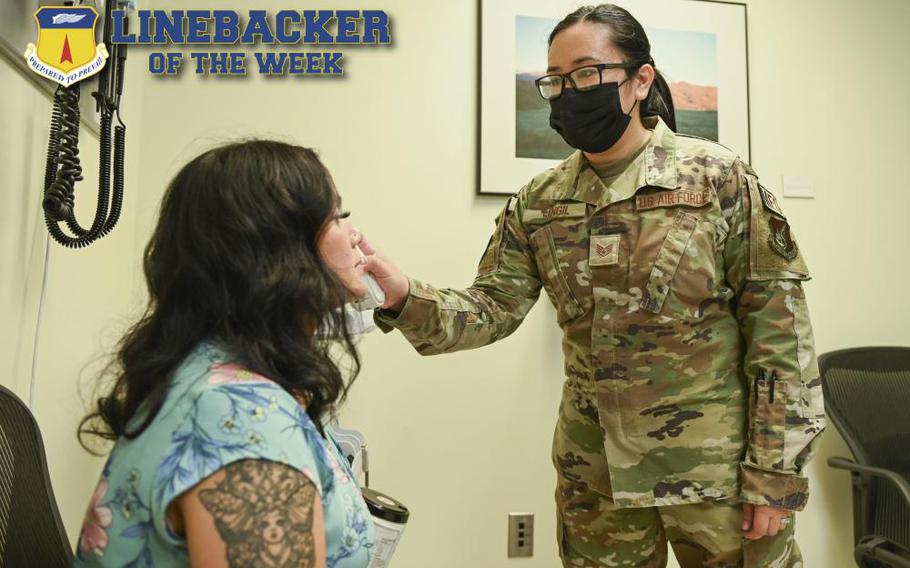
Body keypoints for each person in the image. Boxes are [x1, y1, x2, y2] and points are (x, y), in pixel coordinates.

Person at [362, 4, 825, 567]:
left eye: (586, 73)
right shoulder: (539, 201)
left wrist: (776, 473)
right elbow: (492, 308)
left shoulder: (718, 179)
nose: (567, 92)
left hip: (716, 474)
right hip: (596, 479)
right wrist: (401, 295)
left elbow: (781, 335)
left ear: (640, 80)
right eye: (555, 80)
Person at [75, 140, 374, 567]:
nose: (354, 234)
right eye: (336, 217)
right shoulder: (243, 419)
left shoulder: (231, 376)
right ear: (280, 253)